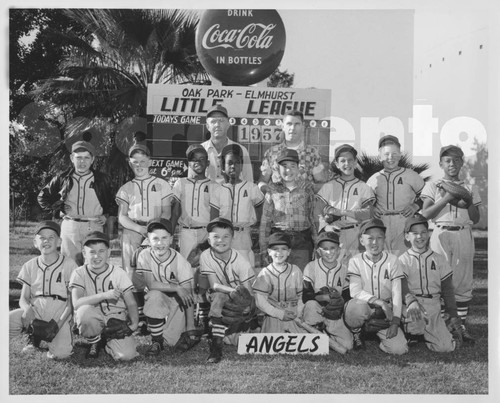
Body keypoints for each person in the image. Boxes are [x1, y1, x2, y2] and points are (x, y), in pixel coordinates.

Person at [420, 145, 481, 342]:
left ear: (462, 162)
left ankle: (460, 325)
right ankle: (440, 324)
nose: (452, 163)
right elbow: (426, 214)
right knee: (438, 279)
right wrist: (448, 197)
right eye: (447, 160)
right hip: (440, 233)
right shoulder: (433, 185)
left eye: (456, 159)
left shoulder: (471, 187)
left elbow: (476, 218)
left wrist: (466, 198)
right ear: (441, 163)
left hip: (463, 233)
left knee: (462, 280)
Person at [116, 141, 173, 328]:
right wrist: (141, 230)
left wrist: (153, 233)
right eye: (135, 161)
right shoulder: (126, 188)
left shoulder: (162, 184)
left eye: (142, 160)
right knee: (131, 275)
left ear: (150, 161)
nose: (139, 165)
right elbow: (122, 217)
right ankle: (138, 318)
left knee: (156, 273)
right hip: (133, 231)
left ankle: (155, 316)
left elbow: (166, 213)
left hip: (155, 233)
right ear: (129, 163)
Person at [38, 139, 116, 265]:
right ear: (71, 158)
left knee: (94, 264)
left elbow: (114, 202)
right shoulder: (63, 178)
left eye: (86, 158)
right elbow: (42, 197)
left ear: (92, 159)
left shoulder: (102, 179)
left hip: (94, 225)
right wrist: (58, 209)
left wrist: (106, 216)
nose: (82, 162)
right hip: (70, 226)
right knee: (69, 265)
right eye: (78, 157)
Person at [170, 144, 220, 332]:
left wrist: (211, 239)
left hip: (206, 232)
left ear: (207, 162)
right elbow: (175, 213)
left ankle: (204, 312)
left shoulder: (214, 185)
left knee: (206, 272)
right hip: (187, 231)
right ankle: (187, 315)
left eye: (201, 159)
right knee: (186, 274)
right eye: (193, 159)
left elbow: (215, 215)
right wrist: (171, 235)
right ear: (188, 162)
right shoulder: (180, 183)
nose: (197, 162)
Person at [9, 221, 77, 359]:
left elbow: (71, 303)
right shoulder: (29, 265)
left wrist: (58, 325)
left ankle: (49, 336)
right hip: (36, 310)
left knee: (61, 354)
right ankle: (34, 335)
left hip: (59, 312)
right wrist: (27, 309)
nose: (46, 241)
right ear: (35, 242)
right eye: (42, 238)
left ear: (59, 241)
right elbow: (23, 298)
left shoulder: (69, 264)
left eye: (51, 237)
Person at [69, 231, 139, 361]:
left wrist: (133, 325)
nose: (97, 256)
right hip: (92, 316)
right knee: (84, 312)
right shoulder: (79, 273)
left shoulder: (118, 273)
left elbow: (131, 303)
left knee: (126, 356)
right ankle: (94, 340)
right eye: (92, 252)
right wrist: (104, 295)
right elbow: (77, 303)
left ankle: (107, 340)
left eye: (101, 251)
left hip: (115, 320)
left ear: (109, 252)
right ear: (84, 254)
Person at [344, 218, 408, 355]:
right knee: (353, 308)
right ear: (362, 241)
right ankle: (357, 333)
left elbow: (397, 292)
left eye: (379, 238)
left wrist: (395, 322)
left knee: (399, 349)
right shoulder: (355, 260)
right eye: (370, 238)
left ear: (384, 239)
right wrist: (380, 302)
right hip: (366, 306)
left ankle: (378, 336)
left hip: (385, 313)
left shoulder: (393, 260)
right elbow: (355, 291)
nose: (375, 242)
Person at [399, 214, 463, 351]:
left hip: (433, 305)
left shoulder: (439, 259)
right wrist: (411, 301)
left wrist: (453, 313)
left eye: (423, 232)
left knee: (445, 348)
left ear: (428, 235)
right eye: (414, 233)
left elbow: (447, 290)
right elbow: (402, 287)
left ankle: (437, 329)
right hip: (413, 304)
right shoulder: (403, 260)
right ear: (407, 236)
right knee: (416, 321)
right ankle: (410, 332)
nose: (419, 237)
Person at [136, 218, 200, 355]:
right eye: (155, 238)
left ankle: (168, 330)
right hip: (158, 296)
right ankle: (156, 341)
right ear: (148, 240)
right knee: (154, 296)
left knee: (171, 341)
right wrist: (176, 287)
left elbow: (188, 296)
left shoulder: (180, 262)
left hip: (177, 301)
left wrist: (190, 326)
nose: (160, 243)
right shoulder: (144, 255)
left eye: (164, 238)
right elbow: (151, 284)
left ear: (171, 239)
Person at [199, 217, 258, 363]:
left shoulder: (240, 259)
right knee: (218, 297)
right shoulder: (205, 255)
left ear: (232, 238)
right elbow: (214, 285)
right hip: (221, 294)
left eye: (226, 236)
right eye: (216, 237)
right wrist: (233, 291)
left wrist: (248, 307)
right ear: (208, 239)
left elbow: (249, 292)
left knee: (237, 340)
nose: (221, 240)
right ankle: (216, 347)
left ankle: (249, 325)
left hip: (240, 300)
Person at [259, 148, 317, 271]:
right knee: (279, 280)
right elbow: (265, 222)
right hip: (279, 241)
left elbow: (313, 218)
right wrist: (264, 248)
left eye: (292, 166)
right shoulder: (272, 190)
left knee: (301, 281)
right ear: (278, 169)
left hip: (302, 242)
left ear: (298, 168)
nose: (288, 170)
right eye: (284, 166)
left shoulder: (306, 189)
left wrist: (316, 244)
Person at [366, 135, 424, 256]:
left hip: (405, 221)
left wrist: (416, 206)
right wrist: (372, 208)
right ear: (380, 156)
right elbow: (365, 201)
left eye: (395, 153)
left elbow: (428, 195)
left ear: (400, 154)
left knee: (405, 259)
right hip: (382, 222)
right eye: (386, 154)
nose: (391, 157)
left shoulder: (411, 175)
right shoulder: (373, 179)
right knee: (384, 260)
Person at [315, 144, 375, 256]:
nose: (347, 164)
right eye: (342, 161)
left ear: (355, 162)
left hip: (356, 233)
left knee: (355, 269)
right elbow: (317, 210)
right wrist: (325, 226)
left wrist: (342, 212)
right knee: (334, 269)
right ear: (337, 164)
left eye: (350, 160)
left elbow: (369, 212)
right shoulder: (329, 186)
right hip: (334, 232)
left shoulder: (363, 187)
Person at [302, 231, 353, 353]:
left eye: (332, 248)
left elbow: (347, 296)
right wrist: (325, 297)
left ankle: (326, 332)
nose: (329, 252)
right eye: (324, 249)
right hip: (316, 310)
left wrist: (340, 303)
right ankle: (315, 331)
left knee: (348, 345)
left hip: (334, 314)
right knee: (310, 305)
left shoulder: (344, 269)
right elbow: (306, 295)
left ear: (339, 250)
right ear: (319, 251)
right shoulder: (311, 266)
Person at [258, 109, 328, 194]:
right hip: (277, 205)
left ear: (303, 126)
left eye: (297, 124)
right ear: (283, 126)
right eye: (289, 124)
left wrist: (312, 187)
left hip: (304, 205)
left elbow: (321, 182)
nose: (292, 128)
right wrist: (268, 190)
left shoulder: (312, 153)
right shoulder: (271, 153)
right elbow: (262, 181)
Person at [218, 143, 264, 269]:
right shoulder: (217, 189)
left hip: (243, 235)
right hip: (223, 236)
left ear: (242, 165)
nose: (234, 166)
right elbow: (214, 217)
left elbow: (261, 211)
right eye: (230, 163)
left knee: (244, 271)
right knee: (223, 270)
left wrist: (256, 231)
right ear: (223, 166)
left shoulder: (251, 187)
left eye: (237, 162)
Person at [253, 232, 306, 334]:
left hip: (293, 313)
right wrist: (279, 314)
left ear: (289, 252)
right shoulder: (265, 273)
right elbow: (260, 302)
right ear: (269, 252)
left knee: (300, 344)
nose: (279, 252)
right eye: (275, 249)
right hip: (274, 315)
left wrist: (298, 313)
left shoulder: (295, 270)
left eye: (284, 249)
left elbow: (301, 297)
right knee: (272, 346)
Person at [201, 104, 253, 184]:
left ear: (228, 124)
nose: (217, 125)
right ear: (207, 126)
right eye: (213, 121)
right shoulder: (199, 151)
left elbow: (249, 182)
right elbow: (192, 183)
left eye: (221, 121)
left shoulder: (241, 150)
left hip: (232, 195)